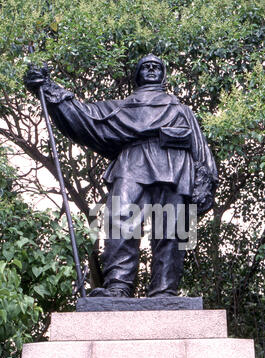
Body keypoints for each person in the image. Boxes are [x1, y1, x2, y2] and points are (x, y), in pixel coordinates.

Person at [24, 54, 218, 298]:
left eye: (156, 66)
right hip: (131, 164)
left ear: (164, 74)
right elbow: (85, 116)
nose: (150, 68)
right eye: (145, 66)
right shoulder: (120, 108)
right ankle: (117, 285)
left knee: (173, 230)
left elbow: (199, 148)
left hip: (176, 167)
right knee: (120, 218)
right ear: (137, 74)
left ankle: (165, 291)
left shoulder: (181, 110)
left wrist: (204, 182)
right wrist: (48, 88)